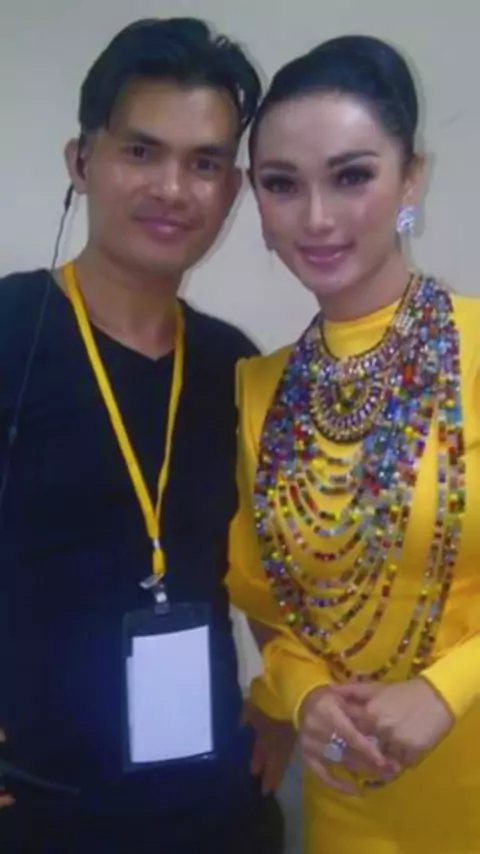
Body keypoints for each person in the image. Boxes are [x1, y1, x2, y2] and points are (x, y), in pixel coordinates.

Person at [0, 17, 285, 853]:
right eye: (140, 151)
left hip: (215, 808)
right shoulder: (9, 330)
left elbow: (275, 566)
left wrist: (283, 699)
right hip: (39, 807)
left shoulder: (236, 366)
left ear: (232, 190)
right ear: (80, 161)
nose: (173, 188)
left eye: (205, 163)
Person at [227, 33, 480, 853]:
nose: (317, 218)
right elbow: (272, 605)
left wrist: (448, 687)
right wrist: (304, 696)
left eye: (352, 175)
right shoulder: (260, 389)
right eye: (282, 184)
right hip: (350, 800)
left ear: (411, 178)